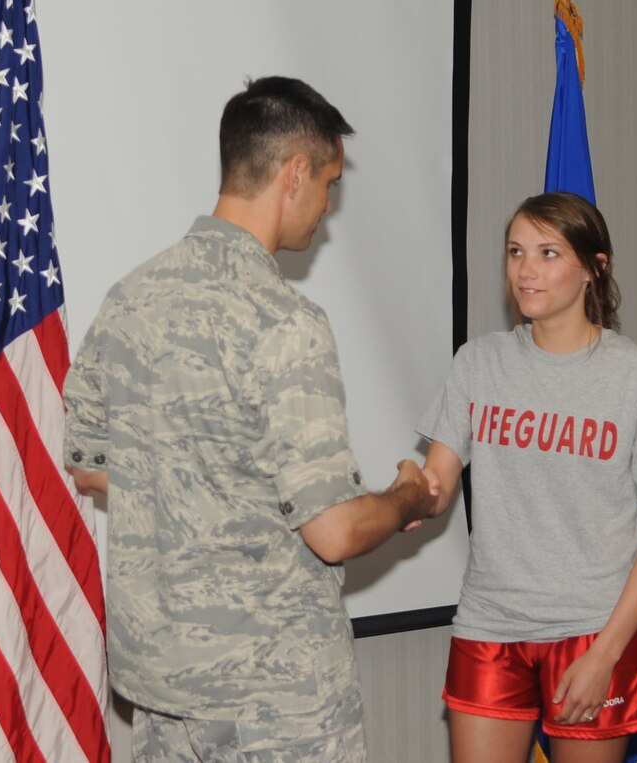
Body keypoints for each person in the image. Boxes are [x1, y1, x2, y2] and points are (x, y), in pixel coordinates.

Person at [63, 76, 437, 763]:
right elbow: (332, 531)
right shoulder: (283, 321)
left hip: (163, 690)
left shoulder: (130, 299)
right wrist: (407, 496)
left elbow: (89, 464)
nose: (328, 206)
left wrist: (191, 493)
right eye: (328, 182)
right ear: (294, 172)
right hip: (277, 701)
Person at [418, 192, 637, 763]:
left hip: (593, 632)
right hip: (489, 626)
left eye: (548, 253)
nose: (525, 270)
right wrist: (400, 495)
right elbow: (436, 483)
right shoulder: (477, 364)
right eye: (515, 251)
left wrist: (605, 654)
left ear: (593, 268)